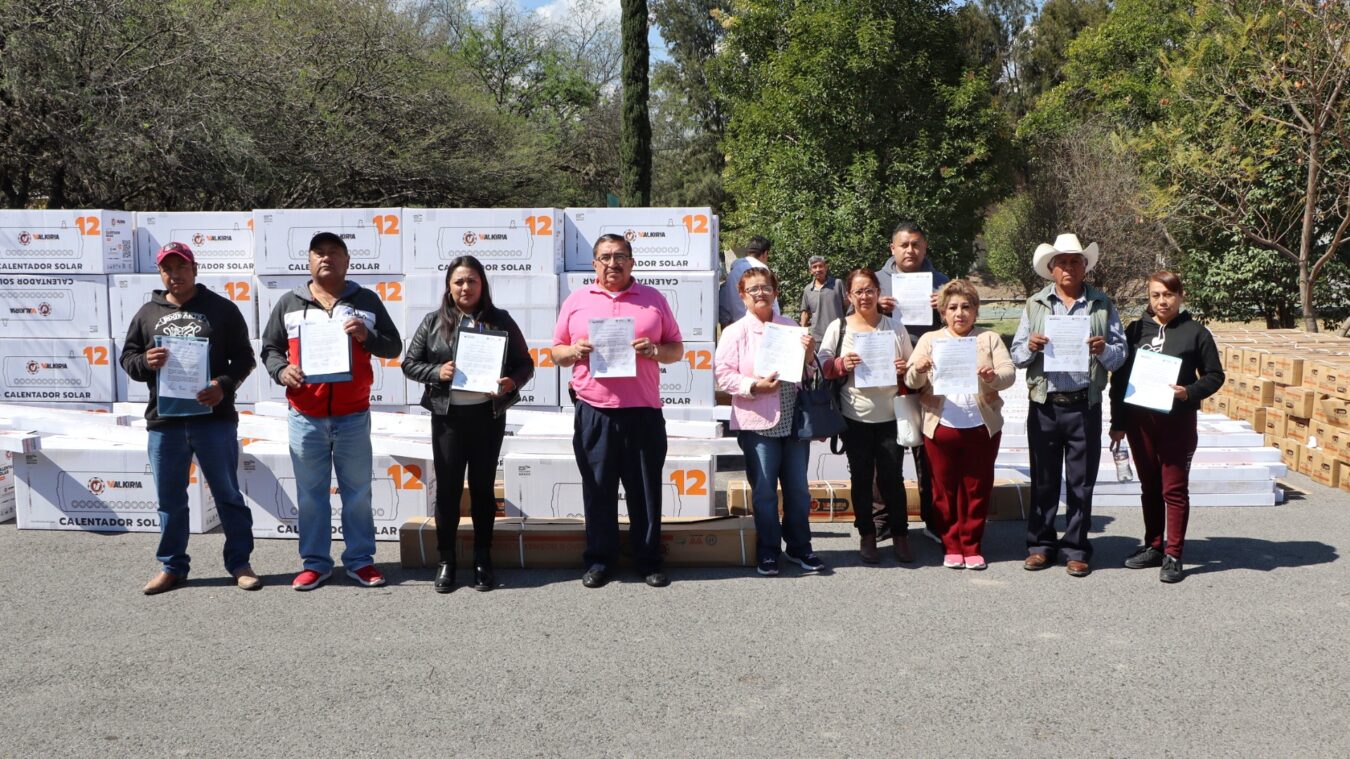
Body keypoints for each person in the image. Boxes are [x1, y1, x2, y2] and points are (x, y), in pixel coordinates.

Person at [260, 231, 403, 591]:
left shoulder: (366, 300)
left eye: (334, 252)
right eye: (319, 252)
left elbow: (392, 345)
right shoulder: (289, 303)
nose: (326, 258)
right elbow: (270, 349)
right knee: (310, 495)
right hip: (304, 416)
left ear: (347, 261)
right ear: (308, 261)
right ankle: (315, 563)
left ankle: (360, 561)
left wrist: (366, 337)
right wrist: (281, 371)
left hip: (352, 415)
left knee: (357, 493)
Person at [122, 242, 258, 595]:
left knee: (228, 494)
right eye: (167, 268)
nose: (174, 274)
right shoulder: (147, 313)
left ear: (194, 269)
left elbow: (245, 358)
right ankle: (172, 566)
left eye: (181, 267)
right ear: (160, 273)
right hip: (165, 422)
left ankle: (240, 563)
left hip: (213, 419)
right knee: (170, 499)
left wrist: (223, 385)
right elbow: (129, 358)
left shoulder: (222, 310)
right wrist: (144, 363)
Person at [552, 233, 684, 588]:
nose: (613, 263)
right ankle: (599, 560)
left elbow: (677, 349)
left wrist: (656, 351)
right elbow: (556, 353)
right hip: (594, 410)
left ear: (632, 261)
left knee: (644, 490)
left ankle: (648, 559)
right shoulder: (577, 301)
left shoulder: (653, 300)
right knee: (598, 490)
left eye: (620, 256)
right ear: (594, 263)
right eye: (605, 257)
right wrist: (574, 350)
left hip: (643, 410)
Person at [403, 255, 533, 593]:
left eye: (472, 281)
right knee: (447, 490)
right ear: (449, 286)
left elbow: (525, 364)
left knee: (482, 489)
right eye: (459, 281)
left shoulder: (500, 319)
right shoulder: (434, 322)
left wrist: (511, 383)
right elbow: (409, 363)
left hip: (486, 416)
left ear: (482, 285)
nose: (465, 287)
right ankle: (446, 560)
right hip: (448, 418)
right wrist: (437, 372)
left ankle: (482, 559)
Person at [1010, 233, 1127, 577]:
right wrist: (1031, 346)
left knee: (1081, 481)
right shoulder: (1035, 304)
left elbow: (1120, 358)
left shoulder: (1102, 304)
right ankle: (1041, 545)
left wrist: (1103, 350)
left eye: (1076, 261)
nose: (1069, 267)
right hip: (1045, 404)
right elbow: (1017, 356)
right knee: (1044, 479)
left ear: (1084, 267)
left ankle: (1076, 548)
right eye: (1062, 262)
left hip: (1084, 405)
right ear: (1051, 268)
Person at [1109, 271, 1224, 583]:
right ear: (1149, 297)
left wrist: (1189, 392)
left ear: (1181, 296)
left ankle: (1174, 553)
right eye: (1156, 295)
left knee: (1173, 488)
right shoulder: (1135, 331)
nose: (1162, 301)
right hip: (1139, 422)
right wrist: (1117, 422)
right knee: (1149, 487)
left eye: (1168, 295)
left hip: (1177, 422)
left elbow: (1215, 375)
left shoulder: (1196, 333)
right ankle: (1154, 545)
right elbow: (1119, 380)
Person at [715, 267, 826, 576]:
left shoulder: (789, 326)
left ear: (776, 292)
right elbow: (722, 375)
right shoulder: (735, 332)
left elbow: (807, 374)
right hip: (757, 421)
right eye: (753, 289)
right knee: (764, 490)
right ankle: (767, 550)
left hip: (793, 420)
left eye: (766, 287)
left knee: (798, 490)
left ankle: (800, 548)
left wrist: (808, 355)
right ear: (742, 296)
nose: (760, 293)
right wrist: (753, 386)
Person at [905, 280, 1016, 570]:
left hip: (981, 425)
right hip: (941, 426)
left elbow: (1009, 373)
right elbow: (910, 380)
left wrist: (992, 377)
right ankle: (952, 544)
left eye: (966, 307)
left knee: (977, 488)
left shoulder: (989, 338)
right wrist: (918, 368)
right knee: (944, 490)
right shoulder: (930, 340)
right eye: (953, 307)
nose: (960, 313)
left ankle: (972, 545)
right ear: (943, 312)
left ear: (976, 311)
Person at [818, 268, 915, 564]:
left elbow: (912, 369)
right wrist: (840, 363)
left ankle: (900, 535)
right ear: (849, 296)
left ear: (878, 292)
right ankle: (867, 535)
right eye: (858, 291)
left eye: (869, 290)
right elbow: (822, 363)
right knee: (860, 479)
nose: (864, 296)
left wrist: (903, 369)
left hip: (890, 415)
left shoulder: (894, 328)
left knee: (892, 479)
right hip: (854, 415)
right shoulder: (840, 327)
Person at [875, 221, 949, 545]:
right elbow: (852, 317)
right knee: (885, 452)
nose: (910, 250)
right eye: (903, 245)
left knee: (929, 452)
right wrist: (874, 307)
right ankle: (883, 521)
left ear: (925, 246)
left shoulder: (942, 282)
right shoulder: (875, 282)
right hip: (885, 376)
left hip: (927, 377)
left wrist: (943, 309)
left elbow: (963, 321)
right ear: (892, 248)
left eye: (916, 244)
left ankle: (934, 520)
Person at [718, 235, 779, 326]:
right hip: (762, 326)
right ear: (765, 254)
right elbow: (773, 305)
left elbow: (724, 306)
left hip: (738, 326)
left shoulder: (732, 273)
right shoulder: (761, 270)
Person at [799, 255, 847, 345]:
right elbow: (804, 313)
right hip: (817, 338)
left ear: (826, 268)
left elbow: (848, 307)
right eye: (814, 267)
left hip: (839, 335)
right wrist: (802, 333)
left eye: (820, 266)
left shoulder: (837, 284)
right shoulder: (808, 289)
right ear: (810, 271)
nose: (818, 269)